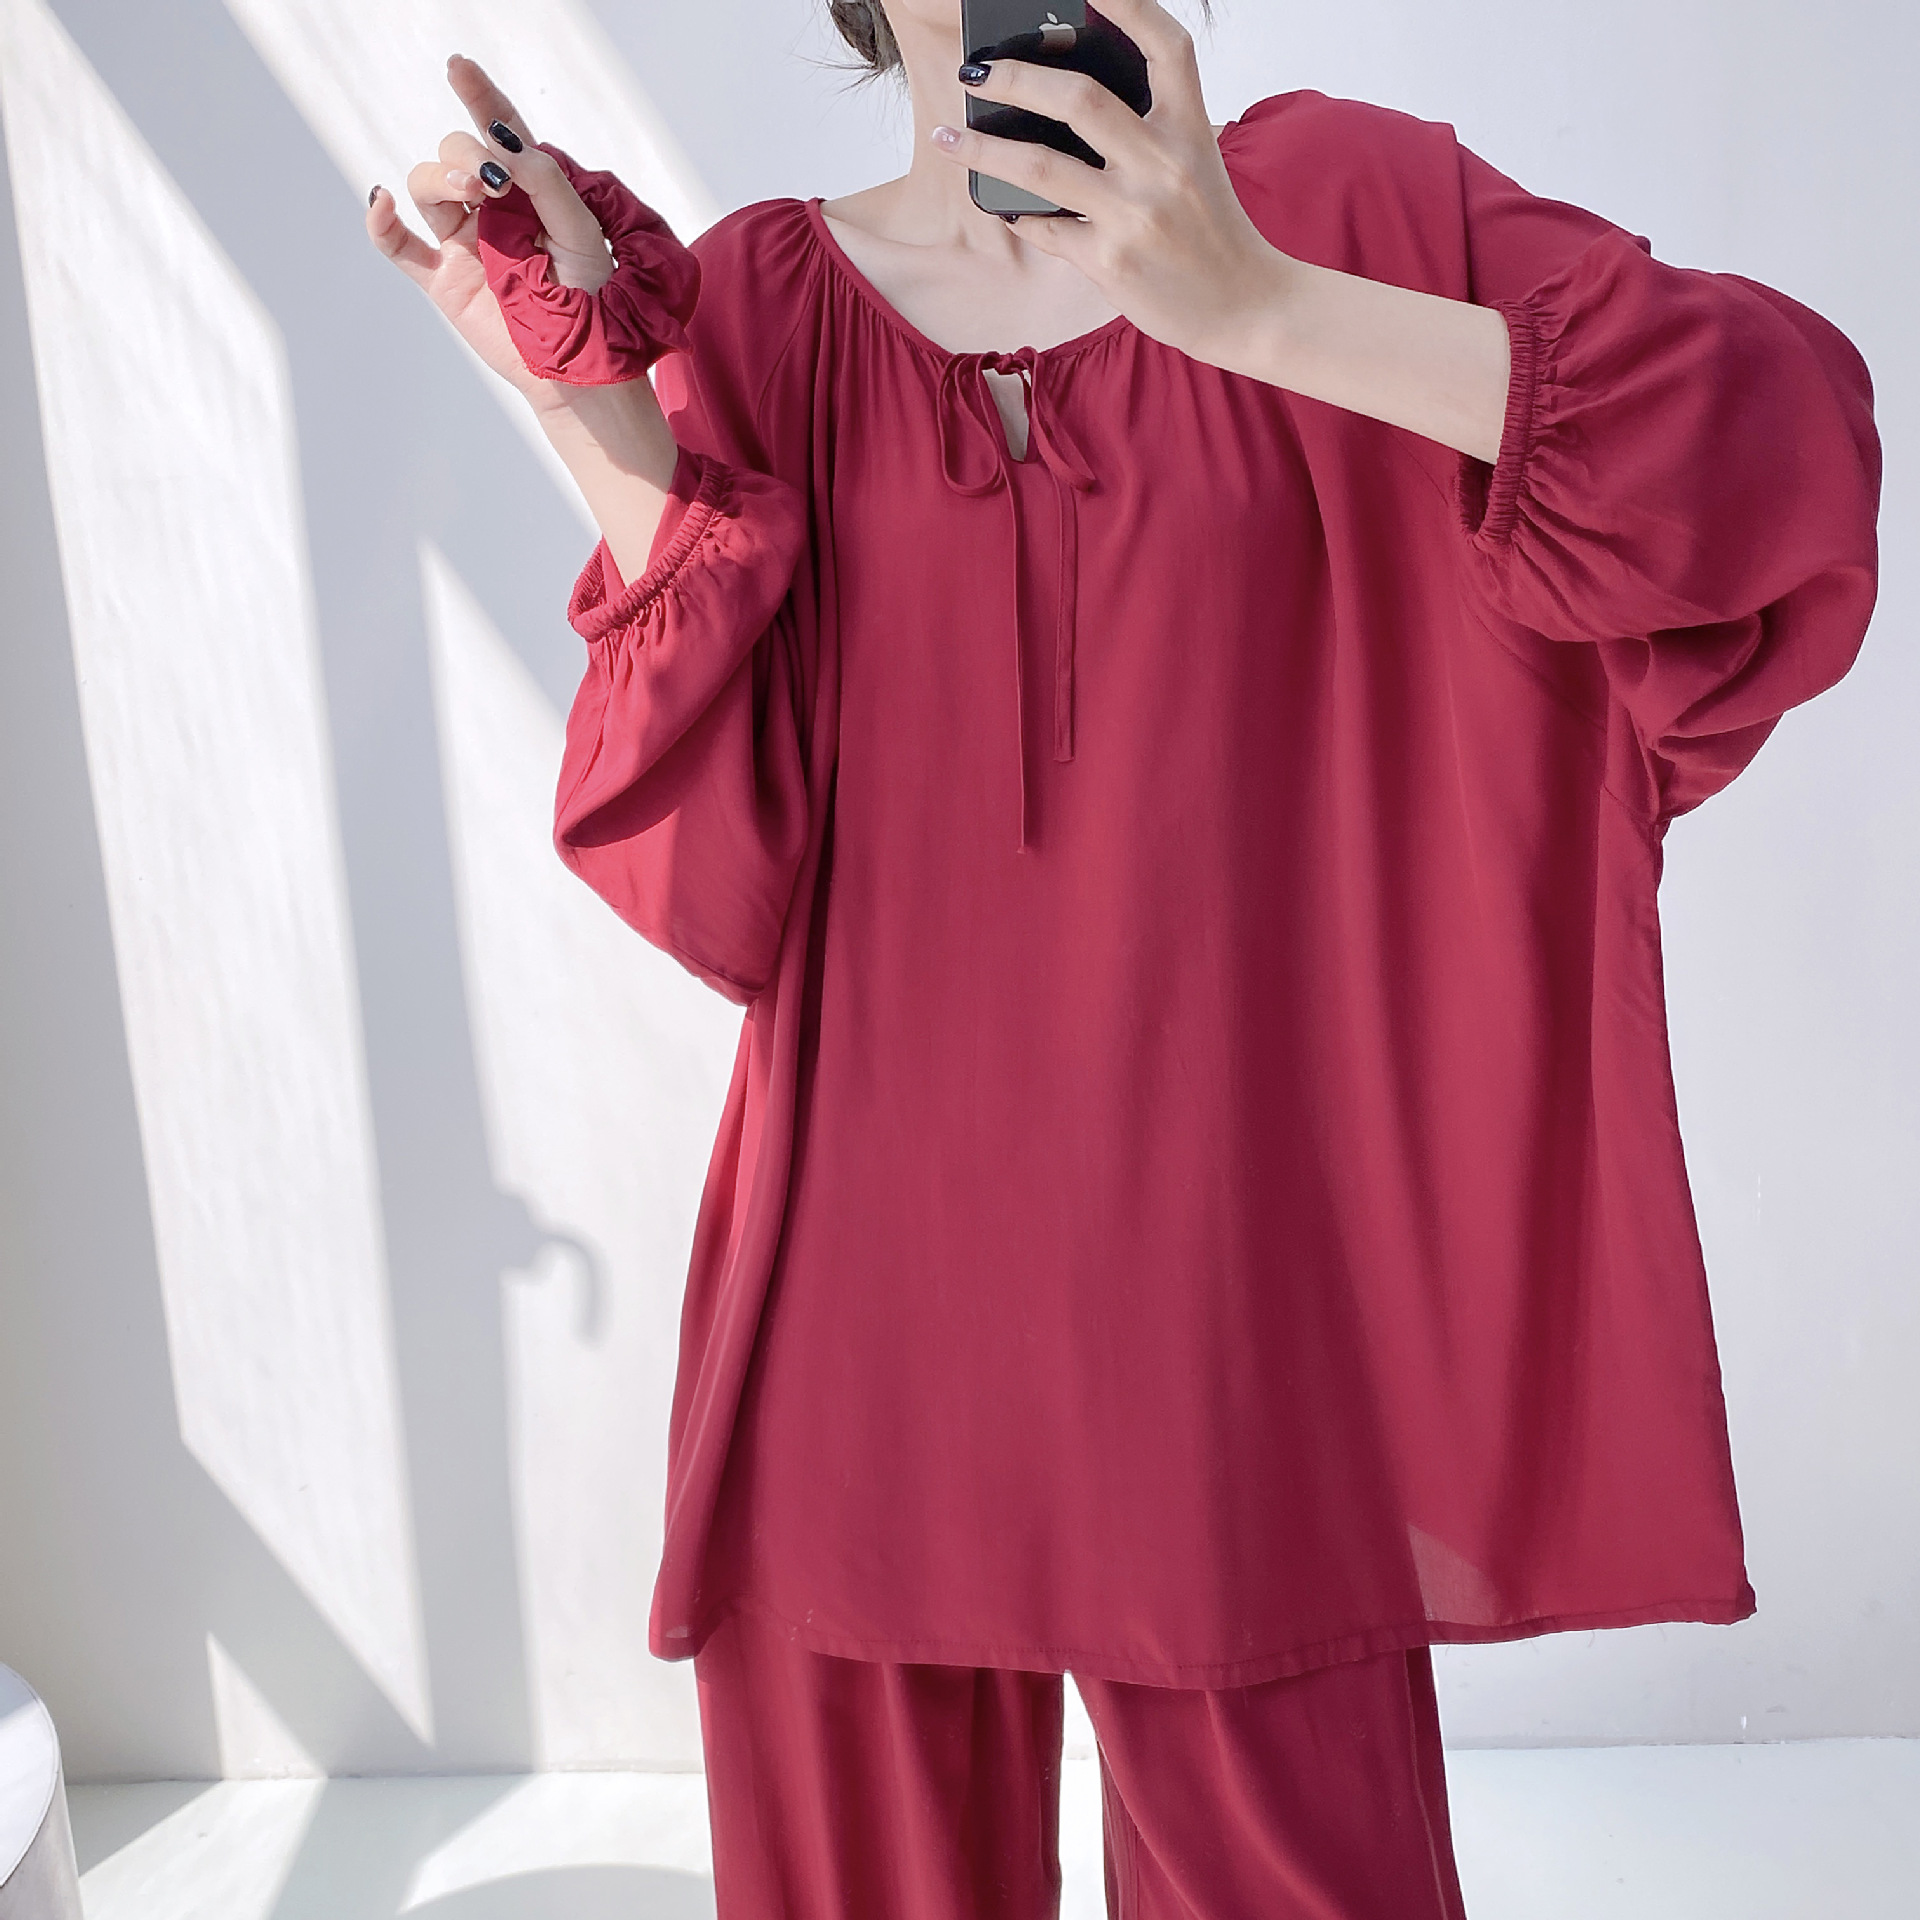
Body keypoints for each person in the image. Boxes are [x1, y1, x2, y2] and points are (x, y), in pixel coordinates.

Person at [365, 3, 1880, 1913]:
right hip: (856, 1308)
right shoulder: (762, 303)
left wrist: (1259, 306)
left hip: (1237, 1333)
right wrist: (587, 405)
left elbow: (1779, 452)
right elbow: (730, 894)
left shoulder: (1341, 205)